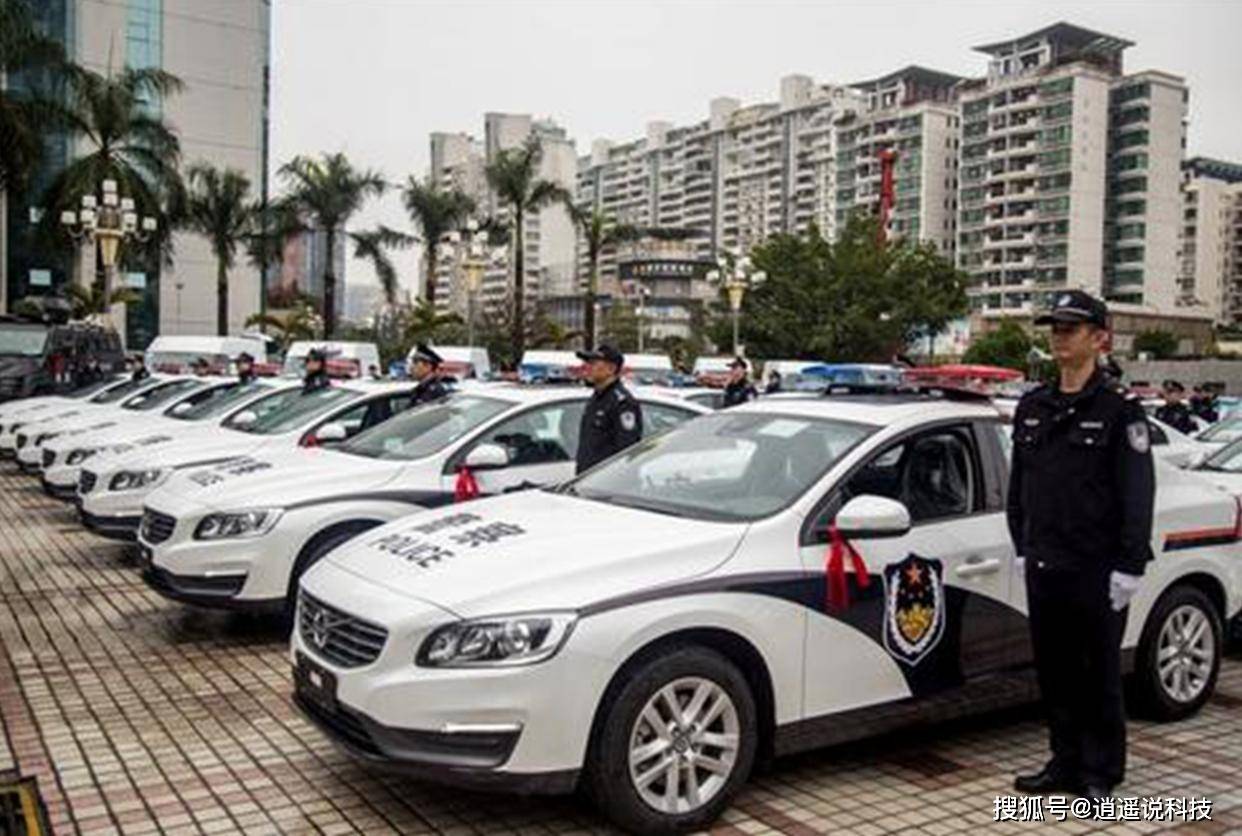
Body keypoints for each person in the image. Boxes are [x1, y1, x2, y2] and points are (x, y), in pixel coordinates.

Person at [1008, 289, 1155, 801]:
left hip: (1097, 569)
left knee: (1098, 673)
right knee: (1055, 671)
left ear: (1100, 339)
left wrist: (1130, 564)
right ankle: (1063, 762)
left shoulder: (1119, 410)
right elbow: (1019, 487)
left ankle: (1100, 771)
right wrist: (1020, 542)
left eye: (1070, 329)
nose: (1059, 337)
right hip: (1046, 563)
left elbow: (1138, 493)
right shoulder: (1033, 405)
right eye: (1054, 328)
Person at [574, 344, 643, 474]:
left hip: (605, 483)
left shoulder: (623, 403)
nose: (587, 367)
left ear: (611, 369)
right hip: (586, 480)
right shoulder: (596, 398)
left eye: (593, 363)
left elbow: (626, 452)